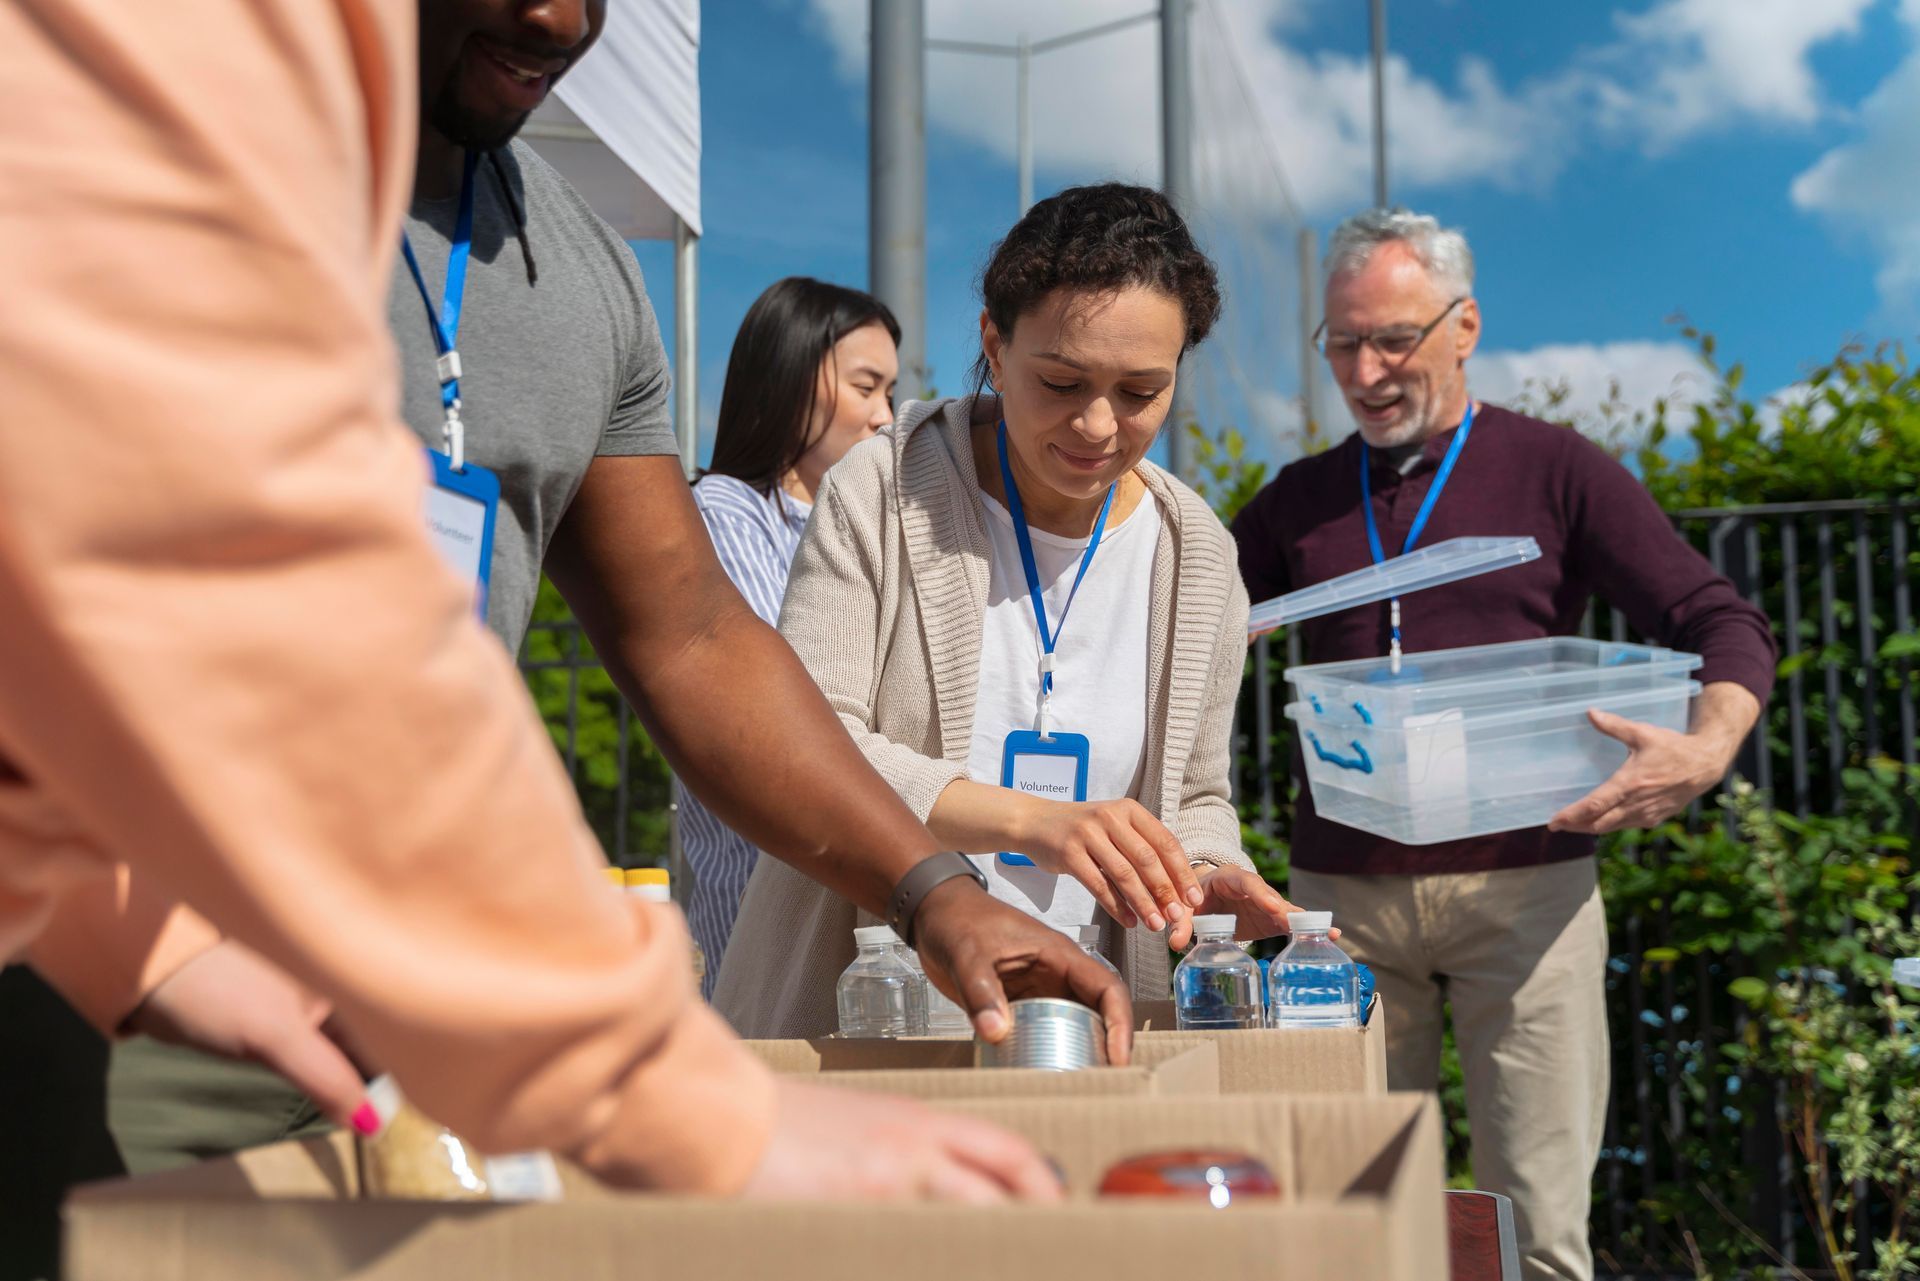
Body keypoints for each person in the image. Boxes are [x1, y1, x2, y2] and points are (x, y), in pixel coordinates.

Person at [1, 0, 1099, 1265]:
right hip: (106, 979)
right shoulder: (178, 117)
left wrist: (931, 889)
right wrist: (650, 1090)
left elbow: (691, 634)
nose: (558, 15)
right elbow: (264, 586)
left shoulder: (582, 275)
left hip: (401, 1000)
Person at [1229, 208, 1777, 1281]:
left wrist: (1706, 748)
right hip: (1339, 911)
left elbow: (1719, 619)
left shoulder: (1558, 469)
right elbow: (1185, 634)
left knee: (1536, 1233)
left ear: (1466, 324)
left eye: (1393, 338)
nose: (1366, 370)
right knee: (1346, 1220)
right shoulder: (1296, 500)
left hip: (1528, 901)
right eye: (1342, 343)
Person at [716, 184, 1319, 1039]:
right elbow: (806, 741)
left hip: (1083, 1019)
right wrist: (1031, 820)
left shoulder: (1199, 557)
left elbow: (1195, 791)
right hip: (867, 1003)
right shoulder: (884, 490)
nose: (1099, 424)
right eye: (1063, 381)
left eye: (1142, 390)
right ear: (994, 347)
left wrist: (1205, 869)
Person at [678, 278, 901, 991]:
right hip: (763, 889)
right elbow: (781, 686)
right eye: (866, 386)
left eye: (890, 393)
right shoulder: (724, 512)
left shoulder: (865, 526)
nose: (885, 417)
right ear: (791, 376)